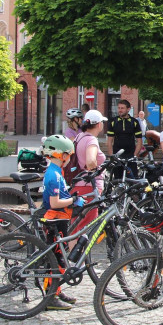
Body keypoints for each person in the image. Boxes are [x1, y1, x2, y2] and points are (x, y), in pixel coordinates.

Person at [40, 134, 82, 310]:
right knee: (56, 259)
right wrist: (73, 200)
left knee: (61, 258)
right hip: (55, 221)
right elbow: (55, 203)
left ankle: (56, 290)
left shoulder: (57, 172)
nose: (69, 158)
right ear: (60, 155)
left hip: (61, 219)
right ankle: (50, 297)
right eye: (68, 155)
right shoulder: (54, 175)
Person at [70, 109, 107, 230]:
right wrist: (95, 169)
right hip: (89, 186)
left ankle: (73, 248)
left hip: (78, 183)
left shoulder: (79, 136)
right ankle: (81, 249)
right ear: (98, 124)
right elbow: (90, 161)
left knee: (76, 225)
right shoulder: (91, 140)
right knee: (85, 226)